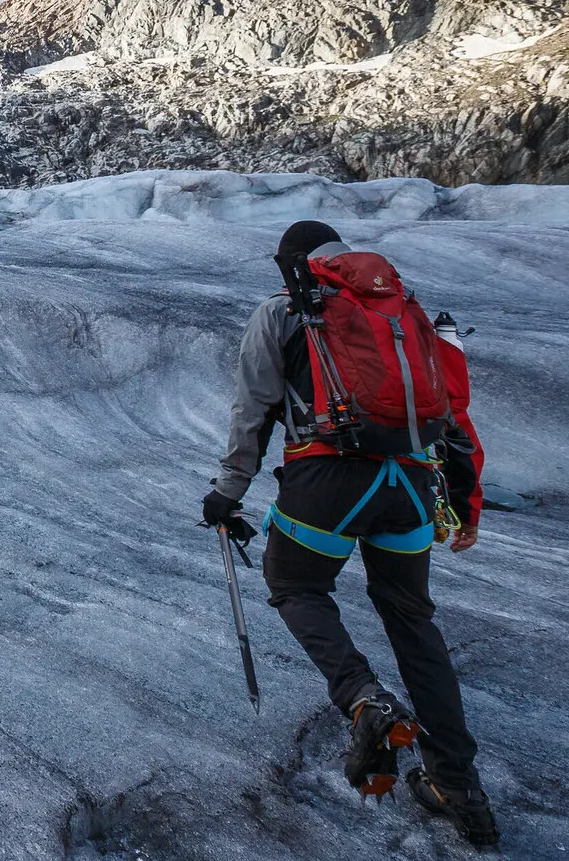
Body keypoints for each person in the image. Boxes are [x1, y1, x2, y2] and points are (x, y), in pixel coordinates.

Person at [204, 220, 497, 847]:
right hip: (412, 488)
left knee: (294, 584)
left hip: (329, 480)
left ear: (294, 264)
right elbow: (452, 412)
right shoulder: (405, 313)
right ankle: (459, 787)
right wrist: (463, 504)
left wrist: (227, 494)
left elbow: (252, 411)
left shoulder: (286, 311)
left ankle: (364, 700)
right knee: (413, 622)